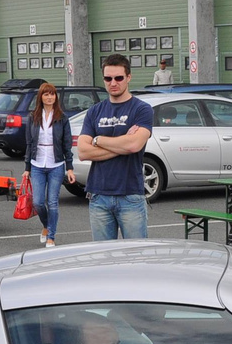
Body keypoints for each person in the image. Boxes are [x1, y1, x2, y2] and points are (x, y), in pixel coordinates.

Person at [76, 54, 154, 241]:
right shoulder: (95, 111)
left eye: (118, 78)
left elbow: (135, 145)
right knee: (103, 260)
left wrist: (98, 140)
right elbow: (83, 152)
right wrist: (122, 143)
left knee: (136, 257)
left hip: (130, 196)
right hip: (98, 196)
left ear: (128, 77)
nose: (113, 83)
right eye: (108, 78)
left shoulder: (142, 109)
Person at [22, 83, 76, 247]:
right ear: (41, 97)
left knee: (52, 202)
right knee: (38, 202)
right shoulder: (33, 117)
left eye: (52, 94)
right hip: (37, 163)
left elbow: (67, 144)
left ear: (55, 97)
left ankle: (51, 236)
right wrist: (26, 169)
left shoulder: (62, 118)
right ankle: (46, 225)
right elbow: (29, 143)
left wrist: (70, 167)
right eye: (46, 94)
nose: (50, 97)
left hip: (56, 164)